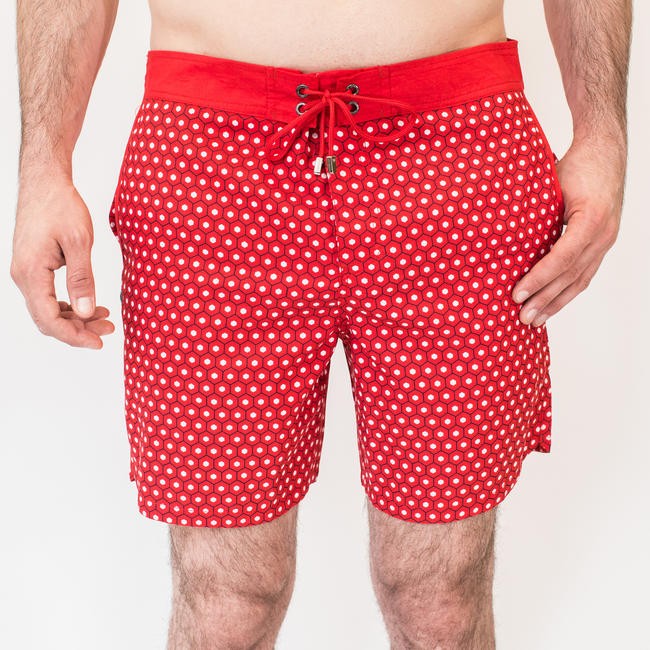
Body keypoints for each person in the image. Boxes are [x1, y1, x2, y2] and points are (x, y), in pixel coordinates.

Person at [10, 0, 630, 647]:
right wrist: (43, 166)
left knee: (440, 597)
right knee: (227, 601)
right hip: (208, 163)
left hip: (457, 151)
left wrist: (604, 136)